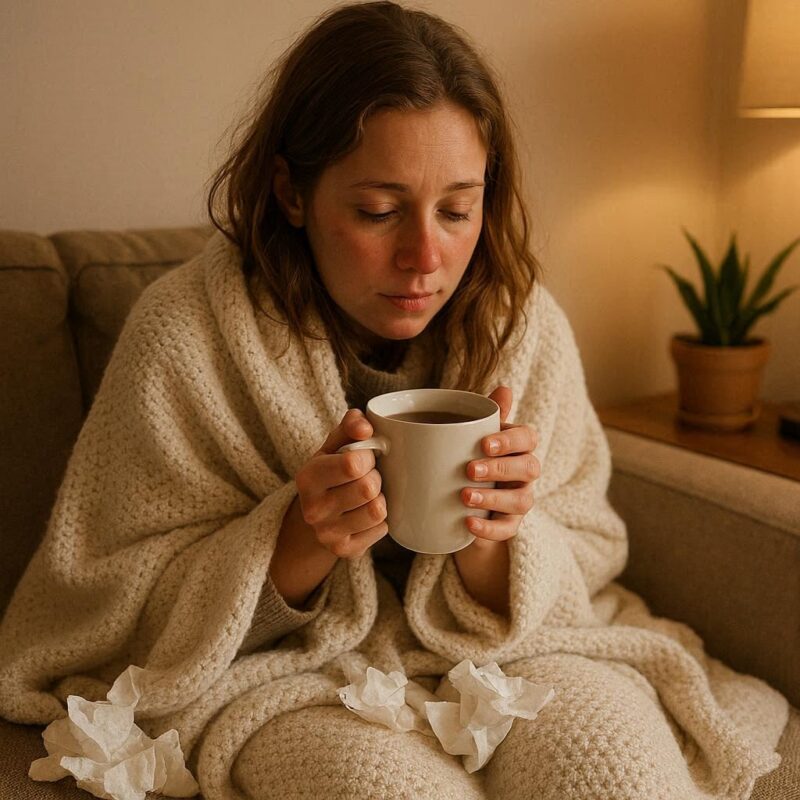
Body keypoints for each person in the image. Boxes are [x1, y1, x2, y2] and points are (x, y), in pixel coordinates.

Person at [0, 3, 788, 799]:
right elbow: (103, 593)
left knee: (617, 777)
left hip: (523, 651)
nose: (425, 258)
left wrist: (494, 539)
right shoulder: (185, 334)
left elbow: (585, 539)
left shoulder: (519, 322)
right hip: (283, 679)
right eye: (377, 211)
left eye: (457, 209)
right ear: (292, 192)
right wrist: (298, 540)